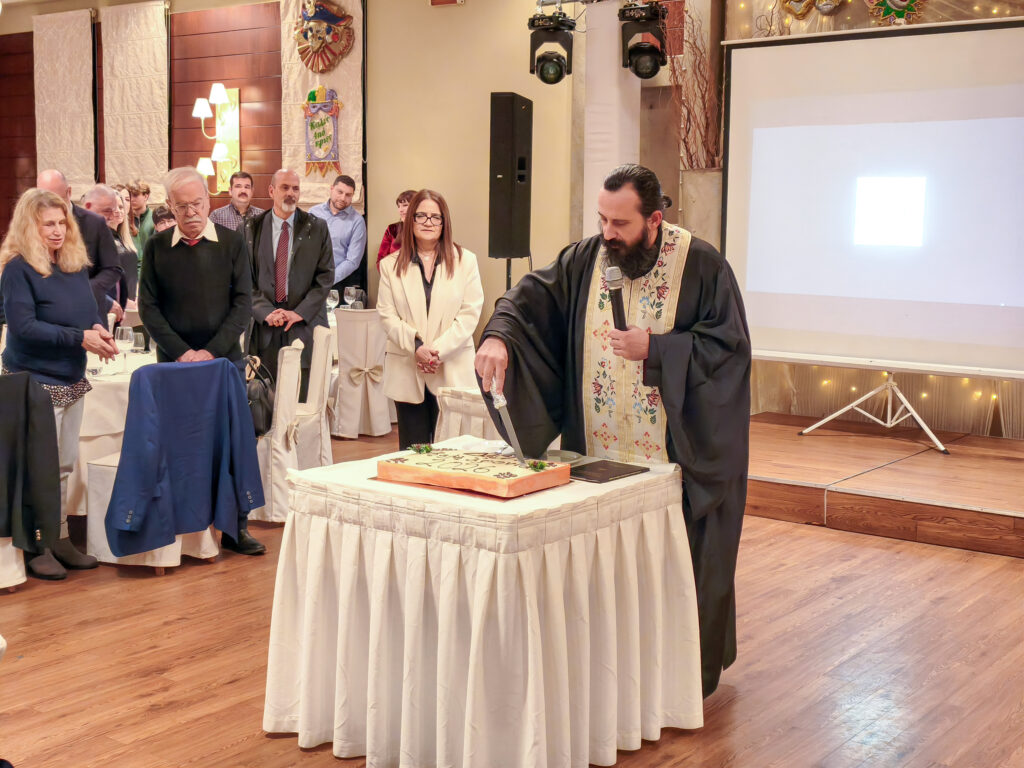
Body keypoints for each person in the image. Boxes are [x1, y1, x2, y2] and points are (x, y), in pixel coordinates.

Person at [474, 164, 751, 699]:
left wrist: (659, 349)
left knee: (676, 574)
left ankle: (673, 681)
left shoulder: (702, 265)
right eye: (602, 219)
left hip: (676, 463)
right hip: (598, 456)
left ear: (655, 219)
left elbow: (729, 352)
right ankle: (605, 680)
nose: (607, 233)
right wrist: (499, 336)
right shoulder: (587, 259)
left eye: (620, 223)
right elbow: (526, 300)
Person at [138, 166, 264, 556]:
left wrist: (210, 351)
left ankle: (236, 528)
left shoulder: (232, 242)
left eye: (197, 203)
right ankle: (183, 529)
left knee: (231, 444)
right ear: (169, 207)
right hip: (174, 366)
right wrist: (182, 352)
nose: (191, 212)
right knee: (179, 447)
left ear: (208, 202)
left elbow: (243, 304)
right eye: (182, 206)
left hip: (223, 362)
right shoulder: (156, 248)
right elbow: (149, 308)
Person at [0, 188, 119, 579]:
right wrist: (80, 338)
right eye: (47, 224)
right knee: (40, 468)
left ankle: (61, 536)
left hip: (71, 376)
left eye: (61, 222)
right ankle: (38, 543)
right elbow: (24, 327)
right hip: (34, 380)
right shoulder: (18, 269)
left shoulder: (72, 263)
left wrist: (97, 330)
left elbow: (85, 312)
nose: (57, 231)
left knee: (65, 465)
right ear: (29, 226)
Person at [377, 189, 483, 448]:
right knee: (413, 454)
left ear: (444, 223)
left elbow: (469, 314)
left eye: (435, 217)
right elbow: (387, 314)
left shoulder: (466, 261)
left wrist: (436, 353)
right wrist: (416, 347)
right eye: (421, 216)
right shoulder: (390, 265)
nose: (428, 222)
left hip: (451, 369)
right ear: (410, 220)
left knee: (452, 454)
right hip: (407, 369)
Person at [243, 169, 334, 399]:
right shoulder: (250, 228)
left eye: (295, 188)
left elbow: (325, 277)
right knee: (264, 400)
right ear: (271, 191)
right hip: (265, 328)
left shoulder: (317, 227)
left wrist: (299, 312)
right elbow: (243, 279)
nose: (291, 193)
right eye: (285, 187)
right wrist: (266, 311)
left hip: (303, 326)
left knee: (301, 399)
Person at [36, 169, 124, 326]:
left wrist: (85, 289)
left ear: (69, 192)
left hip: (89, 315)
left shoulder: (94, 222)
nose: (49, 206)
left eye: (55, 199)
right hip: (47, 318)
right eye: (43, 199)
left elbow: (113, 268)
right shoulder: (32, 225)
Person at [309, 174, 367, 293]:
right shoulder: (313, 212)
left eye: (348, 195)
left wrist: (327, 280)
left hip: (339, 284)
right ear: (331, 189)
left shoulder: (357, 221)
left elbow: (352, 261)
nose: (343, 198)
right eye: (339, 192)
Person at [83, 185, 138, 306]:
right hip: (113, 304)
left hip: (131, 303)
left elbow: (132, 272)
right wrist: (120, 301)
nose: (118, 211)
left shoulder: (124, 239)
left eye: (121, 207)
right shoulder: (97, 239)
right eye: (112, 208)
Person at [376, 189, 416, 270]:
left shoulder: (426, 230)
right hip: (393, 275)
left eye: (405, 205)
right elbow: (381, 261)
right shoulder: (392, 229)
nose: (400, 210)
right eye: (399, 206)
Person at [127, 180, 155, 255]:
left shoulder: (154, 218)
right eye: (129, 196)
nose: (131, 199)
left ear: (146, 196)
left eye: (135, 195)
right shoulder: (125, 220)